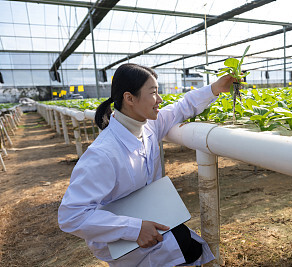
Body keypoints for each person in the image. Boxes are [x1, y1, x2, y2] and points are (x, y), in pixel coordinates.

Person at [58, 63, 235, 266]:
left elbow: (181, 107)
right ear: (129, 98)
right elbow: (71, 216)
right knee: (187, 247)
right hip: (123, 240)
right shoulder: (103, 154)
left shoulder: (148, 126)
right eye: (153, 93)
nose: (159, 99)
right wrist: (133, 228)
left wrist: (215, 89)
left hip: (149, 217)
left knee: (190, 246)